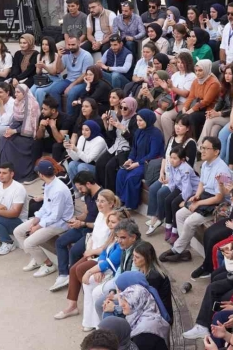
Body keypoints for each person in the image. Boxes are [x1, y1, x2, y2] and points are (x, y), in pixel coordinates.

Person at [161, 136, 233, 262]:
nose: (202, 151)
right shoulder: (205, 164)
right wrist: (197, 195)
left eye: (206, 148)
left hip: (218, 204)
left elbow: (219, 197)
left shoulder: (223, 170)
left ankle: (177, 250)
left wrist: (198, 203)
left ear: (216, 152)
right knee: (179, 214)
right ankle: (184, 250)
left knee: (190, 221)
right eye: (202, 147)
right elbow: (201, 183)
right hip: (205, 197)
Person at [54, 191, 118, 322]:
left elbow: (108, 246)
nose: (99, 204)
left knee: (79, 269)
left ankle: (91, 308)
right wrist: (89, 250)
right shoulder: (100, 215)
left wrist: (92, 252)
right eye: (98, 201)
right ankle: (72, 306)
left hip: (101, 255)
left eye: (102, 201)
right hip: (93, 251)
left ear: (111, 204)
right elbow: (94, 235)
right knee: (73, 269)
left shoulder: (113, 220)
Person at [14, 159, 74, 278]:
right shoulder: (48, 184)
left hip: (60, 223)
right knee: (18, 232)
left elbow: (56, 216)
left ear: (41, 174)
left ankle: (48, 265)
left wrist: (38, 226)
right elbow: (46, 207)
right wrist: (37, 218)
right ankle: (37, 258)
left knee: (29, 242)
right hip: (48, 218)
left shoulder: (58, 190)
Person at [115, 109, 164, 210]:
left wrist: (137, 163)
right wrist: (130, 159)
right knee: (121, 173)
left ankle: (130, 204)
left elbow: (153, 153)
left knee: (132, 177)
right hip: (136, 161)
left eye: (141, 120)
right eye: (137, 120)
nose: (138, 123)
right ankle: (120, 200)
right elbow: (134, 148)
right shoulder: (138, 132)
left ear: (148, 120)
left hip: (147, 163)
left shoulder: (156, 134)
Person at [0, 84, 41, 182]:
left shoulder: (32, 104)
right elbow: (15, 120)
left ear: (24, 93)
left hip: (27, 134)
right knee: (4, 139)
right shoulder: (17, 102)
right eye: (15, 92)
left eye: (18, 92)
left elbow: (30, 125)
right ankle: (6, 173)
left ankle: (20, 174)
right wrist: (10, 130)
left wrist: (14, 131)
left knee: (10, 142)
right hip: (18, 129)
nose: (16, 94)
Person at [56, 36, 96, 116]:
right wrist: (59, 57)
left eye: (73, 45)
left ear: (79, 43)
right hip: (68, 79)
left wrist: (71, 85)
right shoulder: (66, 53)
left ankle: (69, 118)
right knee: (53, 90)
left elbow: (85, 74)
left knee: (72, 93)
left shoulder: (86, 55)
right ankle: (58, 115)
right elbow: (58, 70)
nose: (70, 47)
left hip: (83, 82)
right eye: (69, 45)